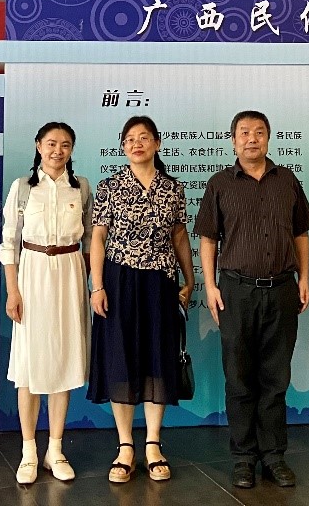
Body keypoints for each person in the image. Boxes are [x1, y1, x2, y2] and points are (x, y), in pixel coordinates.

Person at [194, 110, 309, 489]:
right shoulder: (220, 184)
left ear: (268, 138)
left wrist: (304, 277)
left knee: (275, 377)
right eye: (244, 132)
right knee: (239, 377)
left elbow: (301, 234)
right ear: (233, 140)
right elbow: (208, 238)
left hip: (281, 289)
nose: (252, 139)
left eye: (259, 132)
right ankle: (244, 457)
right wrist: (210, 286)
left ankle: (274, 456)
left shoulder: (287, 180)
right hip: (236, 291)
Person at [88, 116, 194, 484]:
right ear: (122, 147)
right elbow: (98, 238)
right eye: (130, 139)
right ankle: (124, 447)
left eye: (144, 137)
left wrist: (190, 278)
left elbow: (179, 235)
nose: (137, 144)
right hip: (118, 282)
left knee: (157, 358)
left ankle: (152, 444)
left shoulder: (172, 188)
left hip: (161, 282)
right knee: (121, 358)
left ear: (157, 144)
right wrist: (97, 286)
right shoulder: (109, 187)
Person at [0, 122, 92, 484]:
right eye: (51, 143)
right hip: (32, 274)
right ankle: (28, 452)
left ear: (72, 149)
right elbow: (9, 243)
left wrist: (88, 283)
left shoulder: (81, 188)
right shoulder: (22, 188)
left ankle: (55, 449)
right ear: (38, 146)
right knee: (29, 365)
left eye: (65, 145)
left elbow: (90, 240)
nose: (57, 151)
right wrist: (13, 291)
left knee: (63, 361)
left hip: (69, 273)